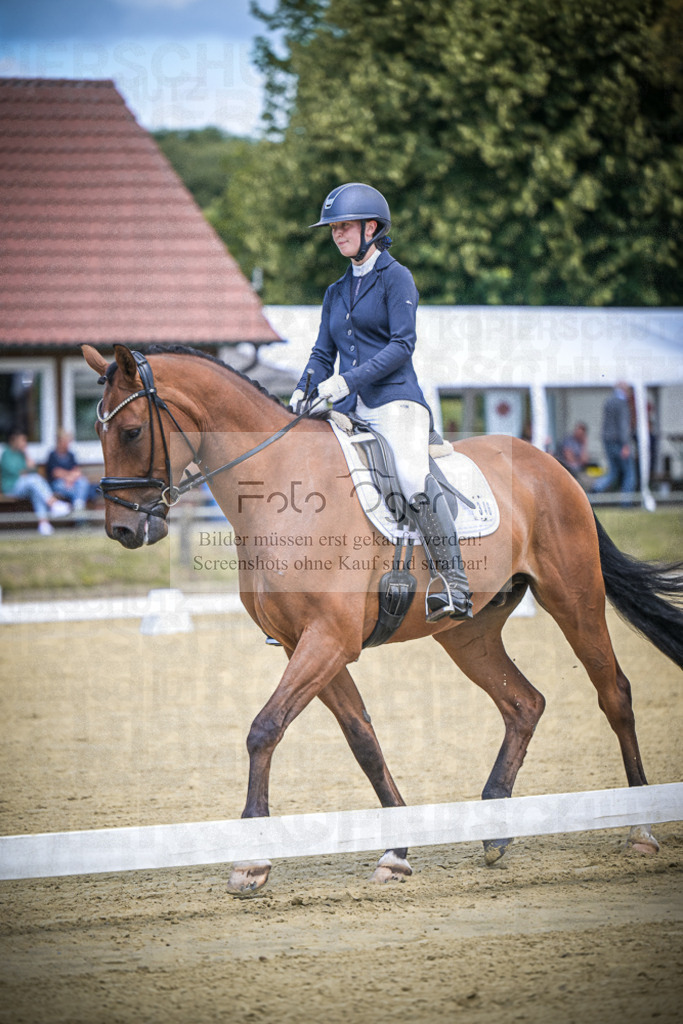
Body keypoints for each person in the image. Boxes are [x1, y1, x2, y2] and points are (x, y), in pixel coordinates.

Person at [290, 182, 471, 621]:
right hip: (349, 409)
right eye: (333, 228)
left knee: (410, 475)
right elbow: (321, 353)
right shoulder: (335, 291)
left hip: (396, 403)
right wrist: (304, 386)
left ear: (372, 227)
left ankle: (455, 585)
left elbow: (401, 345)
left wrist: (343, 382)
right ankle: (295, 597)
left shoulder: (396, 277)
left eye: (345, 226)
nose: (337, 234)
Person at [0, 430, 71, 535]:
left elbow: (33, 469)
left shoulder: (22, 454)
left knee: (36, 491)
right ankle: (53, 504)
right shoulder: (7, 454)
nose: (24, 443)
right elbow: (15, 471)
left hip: (24, 486)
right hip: (11, 487)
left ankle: (44, 524)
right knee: (34, 480)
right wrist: (25, 471)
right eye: (22, 440)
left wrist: (25, 453)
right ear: (14, 441)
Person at [593, 383, 637, 504]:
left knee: (613, 472)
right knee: (629, 473)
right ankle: (626, 503)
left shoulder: (608, 401)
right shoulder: (622, 403)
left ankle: (596, 488)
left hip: (607, 441)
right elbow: (623, 425)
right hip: (619, 442)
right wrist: (626, 445)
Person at [46, 429, 97, 511]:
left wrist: (70, 478)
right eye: (65, 441)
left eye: (68, 441)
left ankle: (78, 505)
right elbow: (56, 473)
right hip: (58, 484)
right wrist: (68, 477)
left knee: (83, 482)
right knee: (78, 491)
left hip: (72, 482)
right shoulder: (53, 455)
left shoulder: (71, 455)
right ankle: (79, 506)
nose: (68, 444)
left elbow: (77, 471)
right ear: (59, 442)